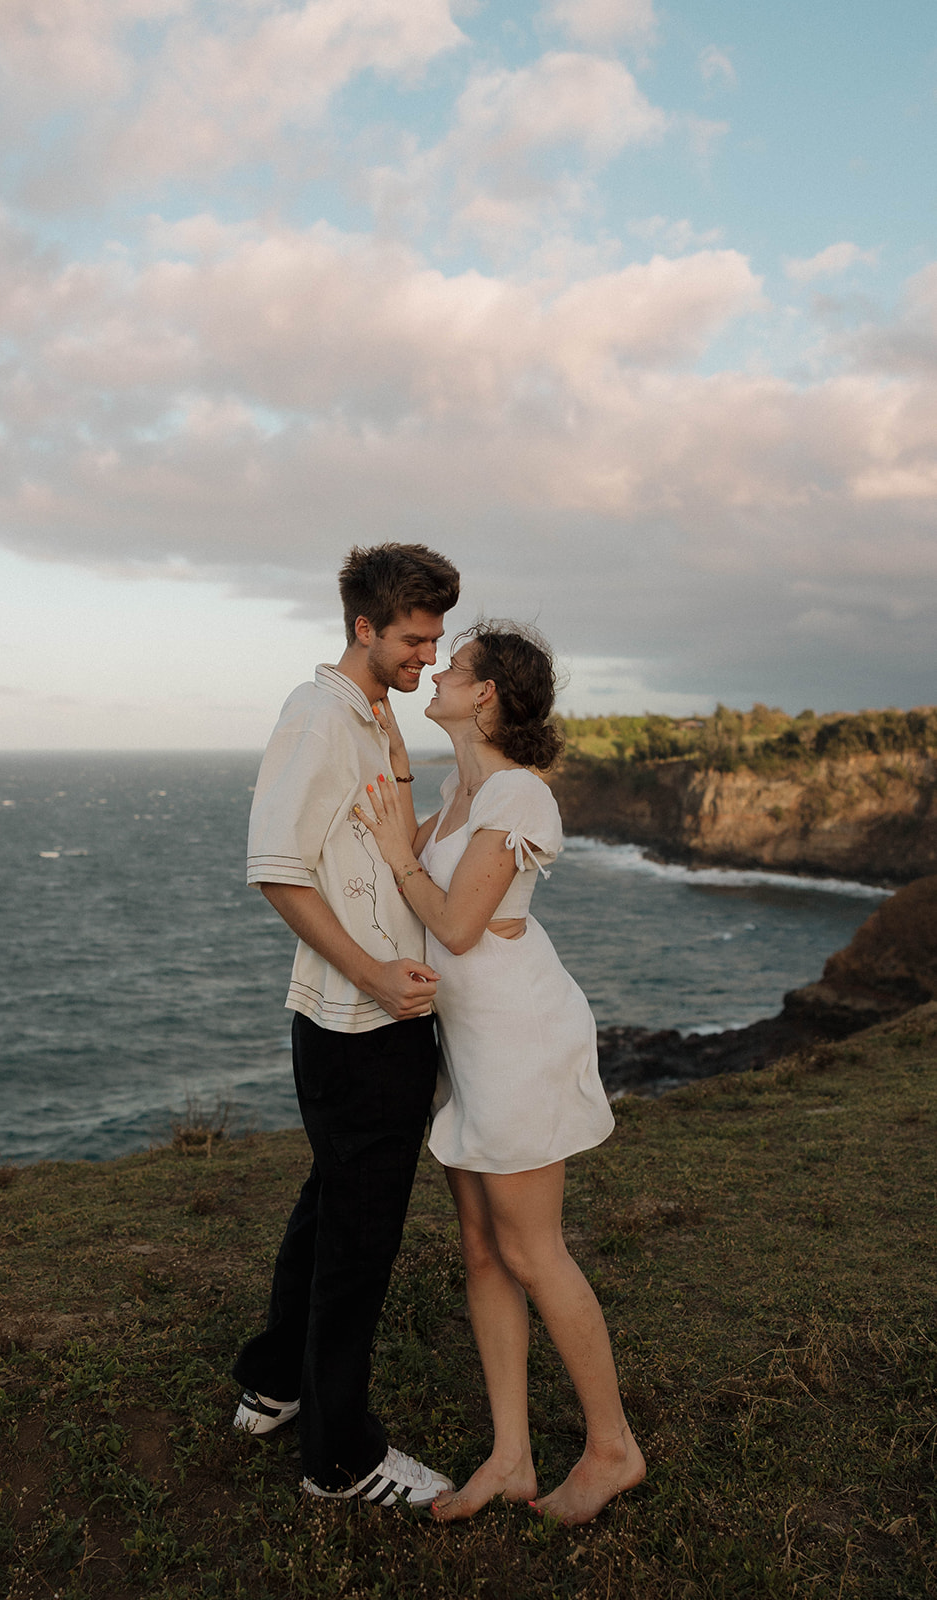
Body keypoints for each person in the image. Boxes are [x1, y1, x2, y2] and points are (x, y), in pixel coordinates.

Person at [354, 621, 646, 1524]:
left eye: (454, 665)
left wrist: (397, 853)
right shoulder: (457, 791)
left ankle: (611, 1449)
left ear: (485, 695)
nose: (435, 672)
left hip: (518, 1039)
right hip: (468, 1046)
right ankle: (511, 1457)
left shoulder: (517, 797)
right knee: (482, 1252)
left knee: (530, 1250)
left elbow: (456, 926)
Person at [232, 542, 461, 1509]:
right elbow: (275, 867)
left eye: (437, 638)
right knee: (359, 1241)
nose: (429, 657)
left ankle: (275, 1382)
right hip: (360, 1019)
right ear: (363, 628)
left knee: (332, 1205)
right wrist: (371, 972)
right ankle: (339, 1459)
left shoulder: (368, 716)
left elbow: (374, 855)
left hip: (377, 1015)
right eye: (414, 639)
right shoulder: (318, 714)